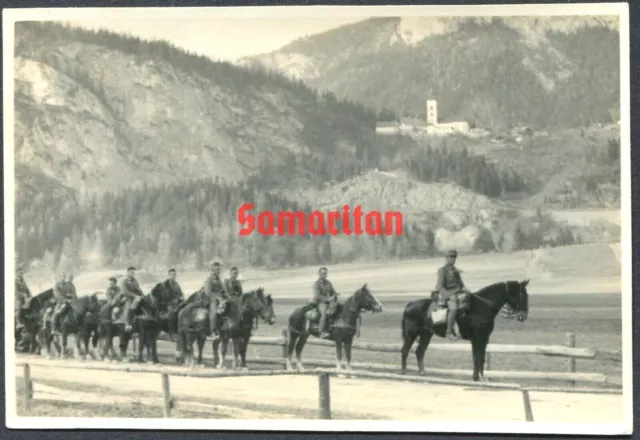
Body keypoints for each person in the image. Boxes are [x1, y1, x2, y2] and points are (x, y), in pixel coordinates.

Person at [435, 249, 470, 340]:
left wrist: (465, 289)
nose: (452, 259)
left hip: (458, 293)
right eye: (450, 257)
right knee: (453, 308)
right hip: (448, 295)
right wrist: (449, 296)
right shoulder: (442, 270)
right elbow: (439, 286)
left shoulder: (455, 270)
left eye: (454, 257)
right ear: (446, 258)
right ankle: (449, 332)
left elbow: (461, 284)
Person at [112, 266, 144, 332]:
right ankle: (128, 324)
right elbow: (124, 291)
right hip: (126, 297)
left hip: (135, 297)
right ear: (128, 272)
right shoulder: (124, 280)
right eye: (131, 272)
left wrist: (142, 295)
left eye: (134, 272)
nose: (133, 274)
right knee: (129, 306)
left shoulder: (135, 280)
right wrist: (134, 296)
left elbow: (138, 289)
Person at [311, 267, 339, 339]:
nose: (325, 275)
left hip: (330, 302)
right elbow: (317, 296)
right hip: (321, 303)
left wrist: (335, 294)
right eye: (323, 273)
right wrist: (328, 299)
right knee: (324, 314)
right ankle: (320, 332)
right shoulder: (316, 284)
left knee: (340, 308)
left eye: (326, 273)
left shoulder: (328, 282)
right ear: (319, 274)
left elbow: (333, 291)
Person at [203, 261, 228, 336]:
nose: (218, 271)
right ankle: (212, 331)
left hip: (221, 299)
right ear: (212, 270)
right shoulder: (209, 279)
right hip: (212, 299)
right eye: (217, 269)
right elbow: (207, 292)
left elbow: (223, 290)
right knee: (213, 313)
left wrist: (227, 296)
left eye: (219, 269)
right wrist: (218, 298)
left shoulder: (219, 279)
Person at [15, 266, 32, 330]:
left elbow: (27, 288)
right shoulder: (15, 281)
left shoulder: (24, 280)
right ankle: (18, 322)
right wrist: (23, 294)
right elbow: (15, 291)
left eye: (21, 273)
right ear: (16, 273)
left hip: (26, 296)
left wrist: (29, 293)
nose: (20, 274)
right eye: (19, 273)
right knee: (19, 306)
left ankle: (28, 314)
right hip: (18, 297)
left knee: (31, 300)